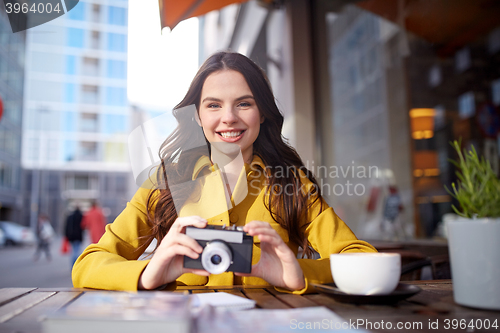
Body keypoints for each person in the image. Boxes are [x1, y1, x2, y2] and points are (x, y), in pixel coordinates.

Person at [73, 51, 376, 293]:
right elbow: (87, 265)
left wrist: (298, 274)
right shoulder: (163, 182)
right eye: (214, 105)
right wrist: (148, 273)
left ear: (263, 113)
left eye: (244, 103)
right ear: (197, 115)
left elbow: (364, 262)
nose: (229, 118)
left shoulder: (291, 183)